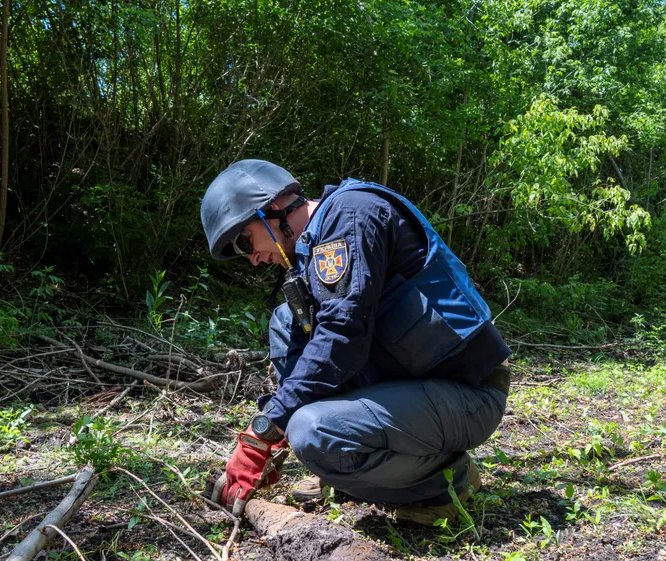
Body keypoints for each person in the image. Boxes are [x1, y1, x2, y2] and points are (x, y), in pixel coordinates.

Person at [201, 159, 510, 525]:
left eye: (243, 240)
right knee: (287, 321)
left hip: (467, 393)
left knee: (313, 431)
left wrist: (264, 432)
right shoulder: (310, 255)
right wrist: (273, 442)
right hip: (411, 387)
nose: (251, 258)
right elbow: (310, 357)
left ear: (270, 209)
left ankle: (448, 482)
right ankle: (343, 473)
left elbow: (341, 337)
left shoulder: (350, 217)